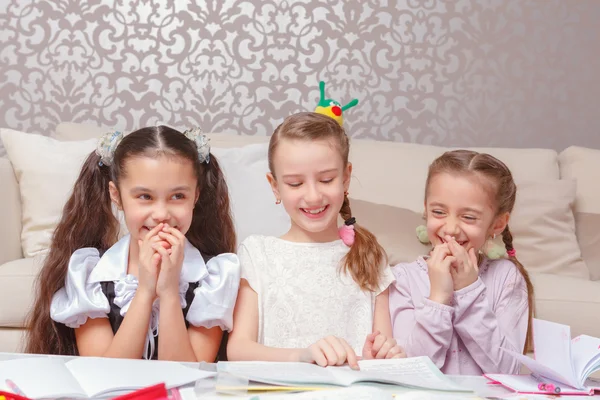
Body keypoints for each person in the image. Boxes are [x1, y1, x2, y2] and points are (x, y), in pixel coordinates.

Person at [26, 126, 240, 362]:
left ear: (196, 196)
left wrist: (168, 291)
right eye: (145, 197)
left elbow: (187, 373)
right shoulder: (90, 273)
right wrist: (146, 290)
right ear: (116, 196)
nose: (161, 214)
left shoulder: (214, 276)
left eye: (178, 196)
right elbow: (104, 374)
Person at [227, 112, 405, 369]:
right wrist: (301, 356)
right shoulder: (258, 253)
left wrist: (381, 355)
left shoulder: (370, 255)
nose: (312, 196)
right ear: (275, 186)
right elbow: (238, 349)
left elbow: (381, 347)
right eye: (295, 183)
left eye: (326, 180)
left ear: (345, 178)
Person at [389, 150, 534, 374]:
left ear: (497, 224)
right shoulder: (403, 278)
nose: (451, 229)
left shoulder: (507, 277)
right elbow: (411, 369)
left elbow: (507, 369)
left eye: (468, 217)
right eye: (438, 212)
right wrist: (438, 298)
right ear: (426, 210)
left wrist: (468, 290)